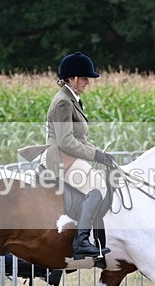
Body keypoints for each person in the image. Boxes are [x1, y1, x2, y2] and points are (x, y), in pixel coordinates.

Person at [40, 52, 118, 259]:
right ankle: (81, 241)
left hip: (71, 156)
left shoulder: (72, 99)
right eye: (84, 78)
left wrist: (101, 154)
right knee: (97, 187)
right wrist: (96, 155)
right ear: (72, 78)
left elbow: (79, 139)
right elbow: (66, 141)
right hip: (60, 158)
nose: (88, 82)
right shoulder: (63, 102)